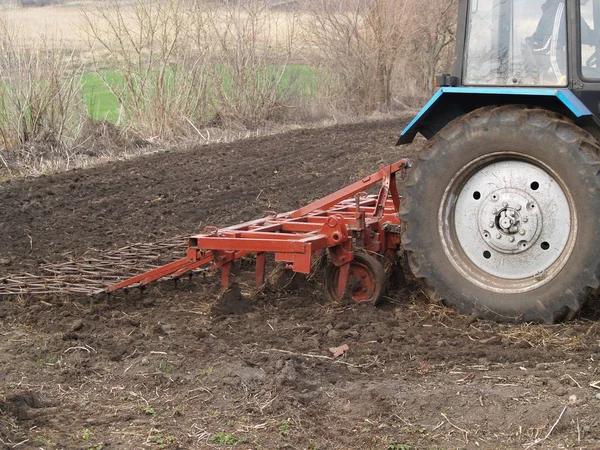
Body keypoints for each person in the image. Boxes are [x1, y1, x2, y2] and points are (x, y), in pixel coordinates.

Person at [528, 0, 594, 82]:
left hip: (562, 67)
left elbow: (587, 35)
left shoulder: (571, 11)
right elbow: (551, 54)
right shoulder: (561, 11)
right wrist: (560, 80)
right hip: (554, 73)